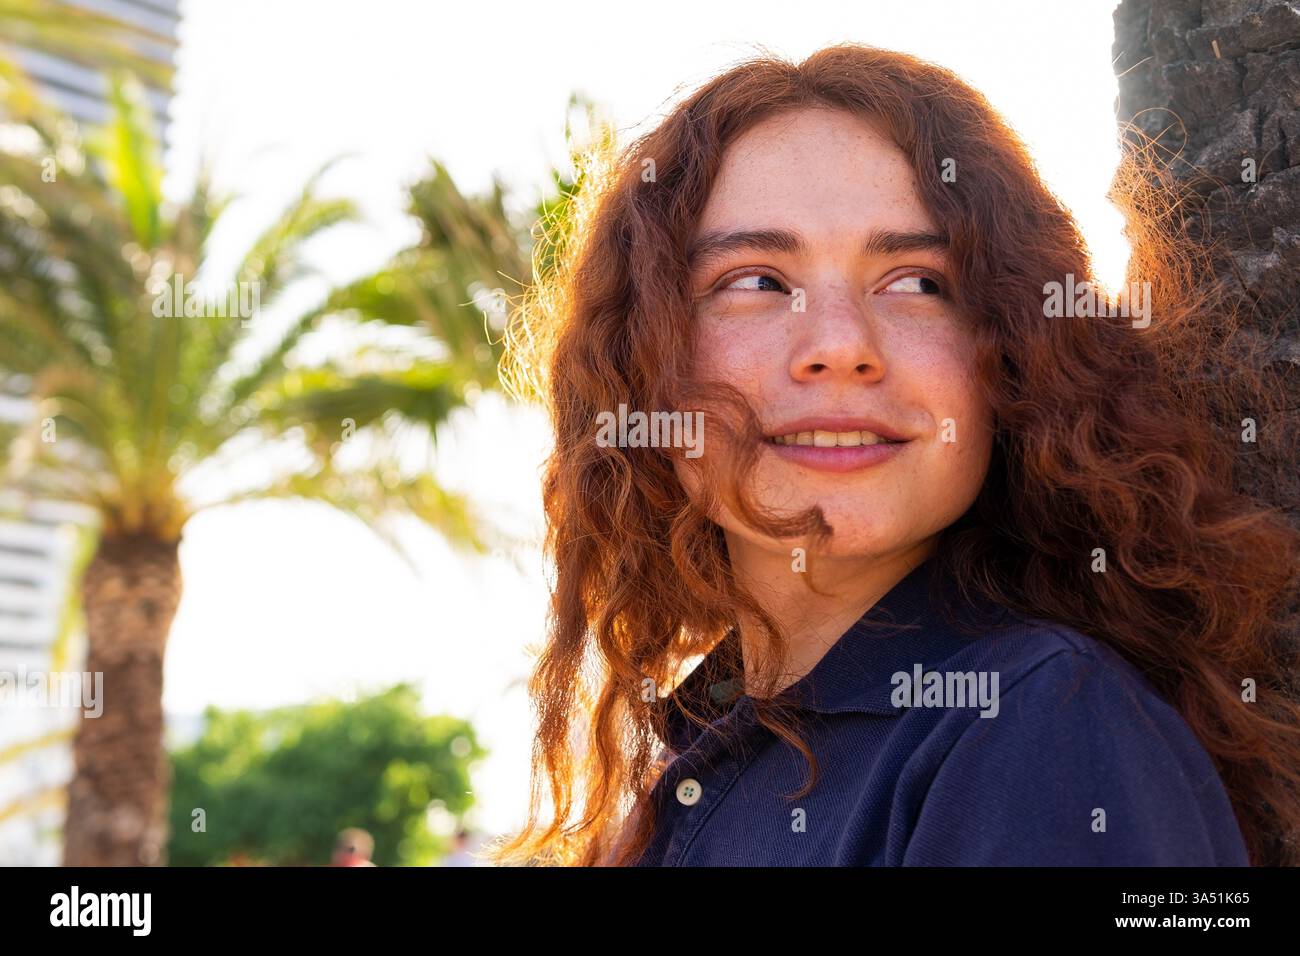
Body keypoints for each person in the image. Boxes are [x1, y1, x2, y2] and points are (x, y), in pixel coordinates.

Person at [485, 44, 1300, 867]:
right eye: (755, 281)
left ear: (1014, 354)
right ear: (644, 363)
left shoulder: (1041, 722)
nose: (840, 347)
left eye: (917, 281)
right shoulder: (710, 744)